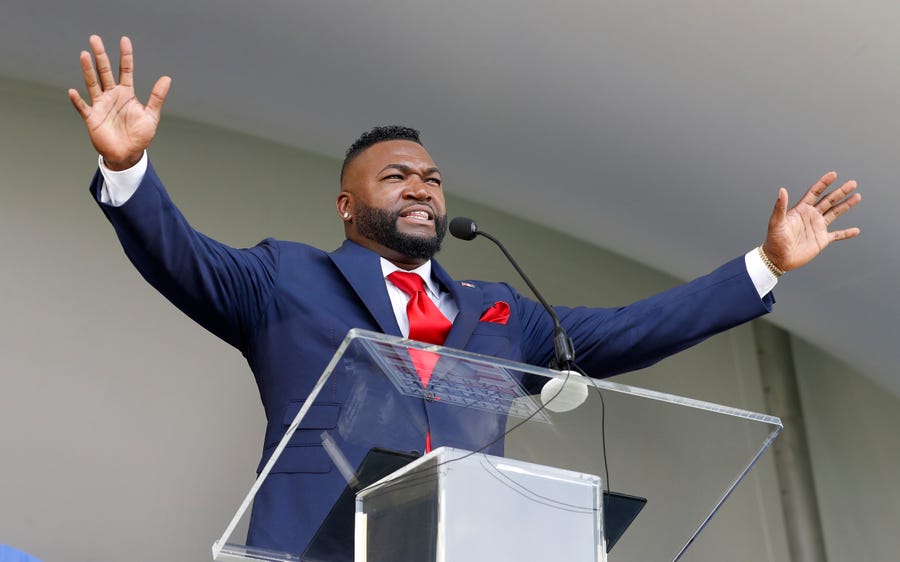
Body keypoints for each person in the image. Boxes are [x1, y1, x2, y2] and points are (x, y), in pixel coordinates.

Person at [69, 35, 861, 555]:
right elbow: (181, 259)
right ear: (347, 205)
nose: (423, 188)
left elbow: (632, 330)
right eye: (397, 176)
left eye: (434, 179)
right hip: (310, 549)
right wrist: (129, 172)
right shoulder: (286, 278)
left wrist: (764, 264)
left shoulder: (501, 314)